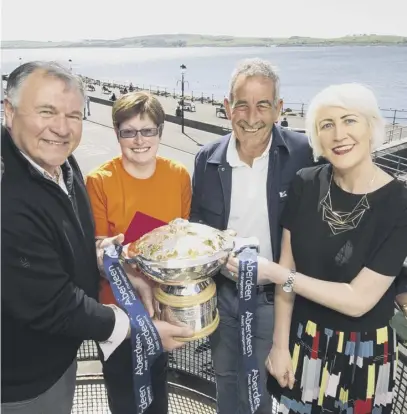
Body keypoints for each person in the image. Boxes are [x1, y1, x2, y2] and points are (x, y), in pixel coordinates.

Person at [1, 62, 191, 414]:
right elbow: (53, 303)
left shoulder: (61, 162)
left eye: (73, 115)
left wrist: (109, 261)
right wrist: (140, 328)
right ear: (9, 111)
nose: (61, 127)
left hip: (58, 355)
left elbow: (73, 243)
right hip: (21, 378)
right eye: (46, 111)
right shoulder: (6, 196)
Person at [226, 83, 407, 413]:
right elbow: (288, 265)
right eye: (327, 125)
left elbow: (358, 300)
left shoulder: (399, 203)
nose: (339, 134)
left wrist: (278, 274)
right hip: (301, 341)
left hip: (361, 355)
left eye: (350, 120)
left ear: (371, 127)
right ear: (317, 138)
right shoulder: (305, 183)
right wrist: (280, 346)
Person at [190, 58, 315, 414]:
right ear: (227, 107)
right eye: (242, 104)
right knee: (225, 378)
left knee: (260, 387)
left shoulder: (304, 153)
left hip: (274, 300)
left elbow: (345, 207)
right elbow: (197, 220)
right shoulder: (206, 159)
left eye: (263, 105)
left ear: (279, 109)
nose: (251, 115)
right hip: (222, 295)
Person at [86, 91, 192, 414]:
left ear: (161, 131)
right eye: (128, 131)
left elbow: (182, 239)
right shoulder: (100, 181)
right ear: (117, 133)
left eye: (148, 130)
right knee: (123, 397)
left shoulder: (178, 176)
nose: (139, 140)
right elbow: (97, 250)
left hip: (161, 310)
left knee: (158, 391)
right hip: (117, 317)